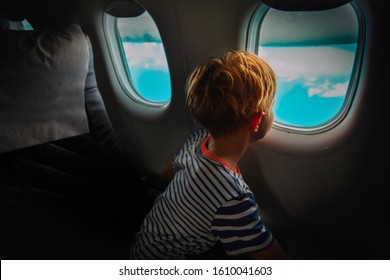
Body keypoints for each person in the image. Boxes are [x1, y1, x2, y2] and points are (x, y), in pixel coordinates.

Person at [130, 49, 289, 259]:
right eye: (271, 106)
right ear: (257, 120)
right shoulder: (232, 198)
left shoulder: (197, 140)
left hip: (143, 245)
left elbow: (168, 172)